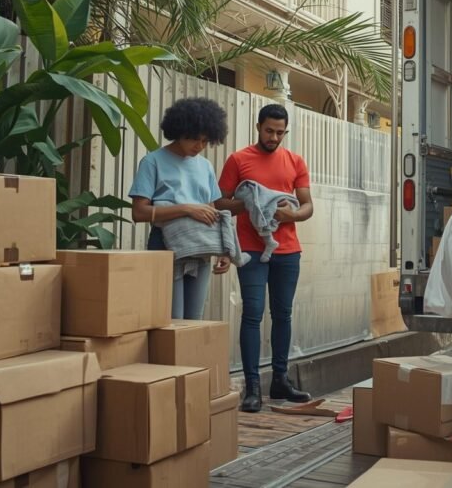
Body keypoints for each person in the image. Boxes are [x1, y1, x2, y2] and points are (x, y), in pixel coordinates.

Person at [216, 103, 314, 412]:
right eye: (269, 131)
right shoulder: (238, 159)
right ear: (258, 127)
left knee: (283, 314)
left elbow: (308, 205)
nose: (274, 137)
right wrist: (249, 203)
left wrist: (292, 214)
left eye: (280, 132)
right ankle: (252, 387)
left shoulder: (295, 161)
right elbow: (220, 201)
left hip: (288, 250)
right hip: (251, 249)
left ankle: (280, 381)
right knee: (253, 314)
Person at [129, 97, 231, 319]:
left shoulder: (205, 166)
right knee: (169, 318)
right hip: (165, 245)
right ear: (178, 130)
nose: (199, 146)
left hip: (201, 247)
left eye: (205, 141)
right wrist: (186, 209)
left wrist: (223, 249)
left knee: (194, 320)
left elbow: (211, 211)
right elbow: (138, 212)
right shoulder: (153, 161)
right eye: (194, 139)